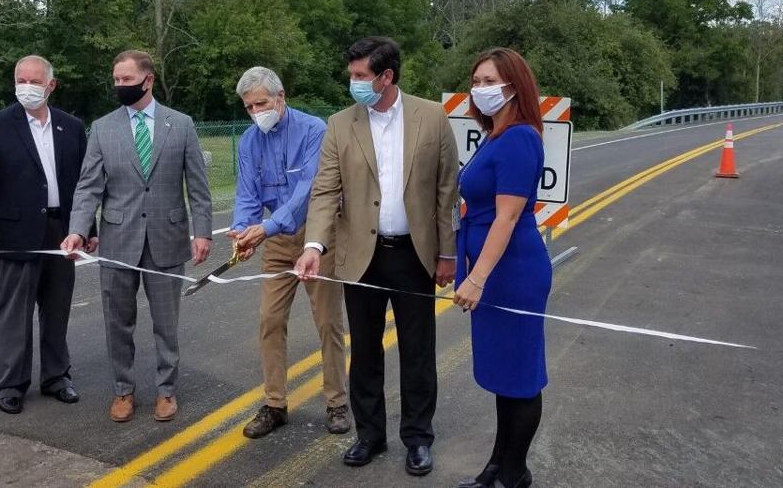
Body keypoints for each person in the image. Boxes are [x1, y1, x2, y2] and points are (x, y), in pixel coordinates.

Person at [296, 37, 459, 477]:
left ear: (386, 77)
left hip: (414, 255)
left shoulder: (432, 117)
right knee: (365, 351)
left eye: (360, 76)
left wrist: (448, 253)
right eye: (352, 75)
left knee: (418, 351)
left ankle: (418, 438)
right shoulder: (340, 124)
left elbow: (447, 190)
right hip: (361, 256)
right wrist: (314, 246)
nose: (353, 84)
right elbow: (326, 190)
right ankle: (369, 434)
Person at [62, 50, 212, 424]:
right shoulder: (102, 127)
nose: (119, 86)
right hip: (117, 240)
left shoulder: (181, 124)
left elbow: (198, 185)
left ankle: (166, 391)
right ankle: (123, 390)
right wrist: (78, 230)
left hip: (167, 237)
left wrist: (203, 231)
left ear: (148, 80)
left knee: (166, 323)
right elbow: (88, 187)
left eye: (126, 80)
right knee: (118, 322)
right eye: (116, 80)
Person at [0, 55, 96, 415]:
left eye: (35, 81)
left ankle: (56, 377)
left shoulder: (72, 127)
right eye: (21, 80)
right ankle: (10, 383)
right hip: (14, 232)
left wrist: (87, 229)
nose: (27, 87)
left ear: (51, 85)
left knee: (56, 309)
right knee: (13, 313)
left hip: (60, 233)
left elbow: (83, 185)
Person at [229, 67, 350, 439]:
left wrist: (264, 228)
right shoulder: (250, 141)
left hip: (318, 236)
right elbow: (248, 193)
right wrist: (243, 232)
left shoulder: (315, 130)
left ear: (280, 97)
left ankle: (337, 402)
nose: (255, 112)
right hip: (278, 242)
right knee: (269, 320)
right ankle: (275, 404)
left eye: (261, 103)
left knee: (328, 321)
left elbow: (309, 191)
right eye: (248, 107)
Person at [452, 47, 551, 488]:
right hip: (493, 269)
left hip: (512, 271)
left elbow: (507, 217)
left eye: (490, 81)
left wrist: (477, 276)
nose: (480, 89)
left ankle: (515, 474)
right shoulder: (495, 135)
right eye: (476, 82)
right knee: (503, 376)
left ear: (514, 85)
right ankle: (497, 464)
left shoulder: (520, 138)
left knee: (521, 376)